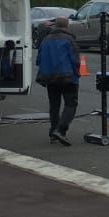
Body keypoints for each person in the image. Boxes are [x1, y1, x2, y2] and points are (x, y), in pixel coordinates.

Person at [35, 14, 81, 145]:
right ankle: (61, 130)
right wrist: (76, 74)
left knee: (54, 106)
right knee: (70, 104)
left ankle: (53, 133)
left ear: (56, 26)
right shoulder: (69, 39)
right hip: (68, 77)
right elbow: (75, 60)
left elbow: (38, 60)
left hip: (50, 78)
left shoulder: (46, 40)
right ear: (67, 26)